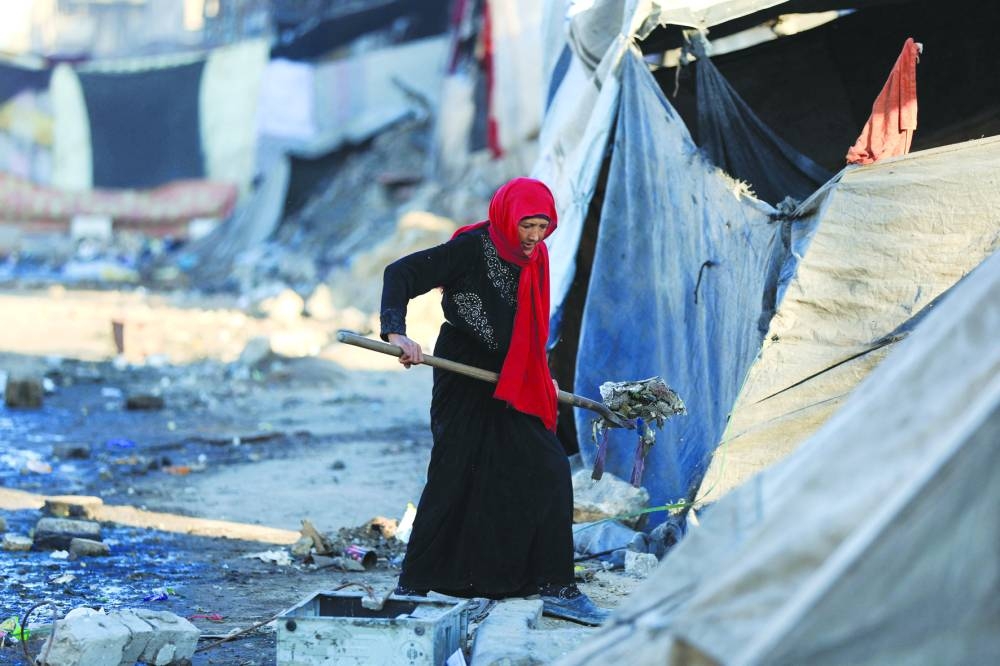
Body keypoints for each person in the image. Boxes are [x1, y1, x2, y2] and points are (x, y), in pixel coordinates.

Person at [379, 177, 608, 626]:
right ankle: (413, 585)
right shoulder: (471, 247)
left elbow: (528, 327)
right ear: (508, 217)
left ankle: (557, 586)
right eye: (528, 225)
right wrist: (397, 332)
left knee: (549, 468)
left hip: (515, 379)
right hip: (463, 377)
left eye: (544, 226)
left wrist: (536, 374)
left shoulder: (536, 256)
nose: (535, 236)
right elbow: (400, 274)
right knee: (453, 472)